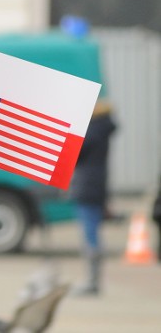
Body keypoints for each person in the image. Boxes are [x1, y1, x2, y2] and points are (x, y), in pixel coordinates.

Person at [68, 99, 117, 296]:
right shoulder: (102, 129)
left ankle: (92, 280)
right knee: (92, 232)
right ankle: (92, 279)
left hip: (88, 186)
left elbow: (75, 153)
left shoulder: (93, 131)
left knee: (90, 234)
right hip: (96, 185)